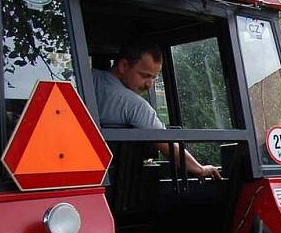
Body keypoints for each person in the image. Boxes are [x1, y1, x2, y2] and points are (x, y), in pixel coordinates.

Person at [92, 43, 221, 180]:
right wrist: (200, 169)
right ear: (124, 66)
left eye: (154, 78)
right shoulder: (134, 105)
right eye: (145, 75)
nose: (149, 84)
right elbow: (170, 148)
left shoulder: (86, 78)